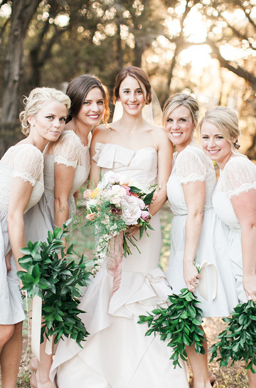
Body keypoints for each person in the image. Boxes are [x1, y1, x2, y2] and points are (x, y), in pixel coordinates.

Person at [50, 66, 189, 387]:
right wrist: (106, 216)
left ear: (147, 95)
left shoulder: (159, 136)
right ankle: (97, 370)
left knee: (139, 288)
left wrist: (138, 218)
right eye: (126, 91)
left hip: (145, 227)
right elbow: (91, 188)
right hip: (104, 225)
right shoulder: (101, 133)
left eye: (139, 91)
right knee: (104, 285)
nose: (133, 97)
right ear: (118, 96)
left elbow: (163, 187)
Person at [24, 75, 109, 388]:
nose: (95, 108)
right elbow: (59, 197)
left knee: (52, 298)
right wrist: (60, 245)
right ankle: (42, 376)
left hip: (62, 217)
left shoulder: (85, 138)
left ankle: (39, 365)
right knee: (53, 296)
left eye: (99, 102)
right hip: (47, 220)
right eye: (87, 102)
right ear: (75, 105)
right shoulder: (71, 140)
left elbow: (73, 196)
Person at [0, 87, 69, 388]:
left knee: (15, 323)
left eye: (62, 118)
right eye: (49, 117)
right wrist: (24, 269)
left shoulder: (35, 152)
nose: (57, 125)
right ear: (31, 118)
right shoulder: (31, 154)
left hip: (3, 236)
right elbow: (13, 214)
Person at [163, 93, 232, 388]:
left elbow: (195, 212)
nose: (175, 125)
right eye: (170, 119)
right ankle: (202, 376)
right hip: (187, 234)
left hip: (197, 237)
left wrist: (187, 260)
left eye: (183, 120)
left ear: (194, 124)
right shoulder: (181, 154)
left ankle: (202, 380)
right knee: (187, 313)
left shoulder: (190, 156)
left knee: (185, 313)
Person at [200, 107, 256, 388]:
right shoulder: (228, 167)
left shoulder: (238, 167)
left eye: (218, 137)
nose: (211, 144)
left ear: (233, 136)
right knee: (255, 336)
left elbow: (250, 224)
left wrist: (251, 274)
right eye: (205, 137)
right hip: (246, 255)